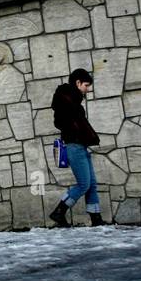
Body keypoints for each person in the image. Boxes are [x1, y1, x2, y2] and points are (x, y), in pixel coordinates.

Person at [49, 68, 104, 228]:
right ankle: (59, 211)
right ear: (78, 83)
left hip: (81, 145)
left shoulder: (74, 100)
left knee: (91, 183)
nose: (88, 89)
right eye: (86, 85)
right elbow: (59, 121)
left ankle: (96, 219)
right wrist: (74, 130)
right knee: (83, 184)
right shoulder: (64, 99)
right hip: (73, 145)